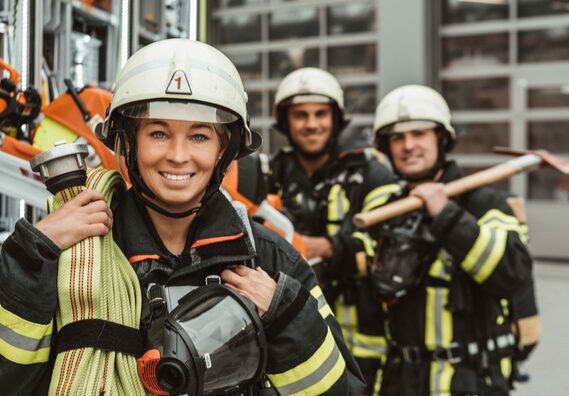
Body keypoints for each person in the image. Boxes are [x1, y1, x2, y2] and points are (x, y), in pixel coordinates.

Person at [0, 39, 366, 395]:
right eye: (159, 133)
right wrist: (30, 258)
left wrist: (285, 318)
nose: (177, 156)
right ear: (128, 142)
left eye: (199, 137)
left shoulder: (270, 260)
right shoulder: (67, 254)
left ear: (225, 148)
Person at [371, 84, 536, 395]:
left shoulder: (483, 203)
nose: (409, 145)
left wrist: (446, 215)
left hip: (470, 380)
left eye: (419, 133)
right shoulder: (386, 211)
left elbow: (513, 274)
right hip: (400, 381)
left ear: (441, 139)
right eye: (397, 137)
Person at [269, 67, 401, 395]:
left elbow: (392, 248)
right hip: (290, 338)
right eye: (300, 115)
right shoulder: (268, 176)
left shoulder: (371, 176)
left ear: (336, 118)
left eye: (320, 114)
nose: (311, 124)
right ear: (285, 122)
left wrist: (322, 247)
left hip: (365, 344)